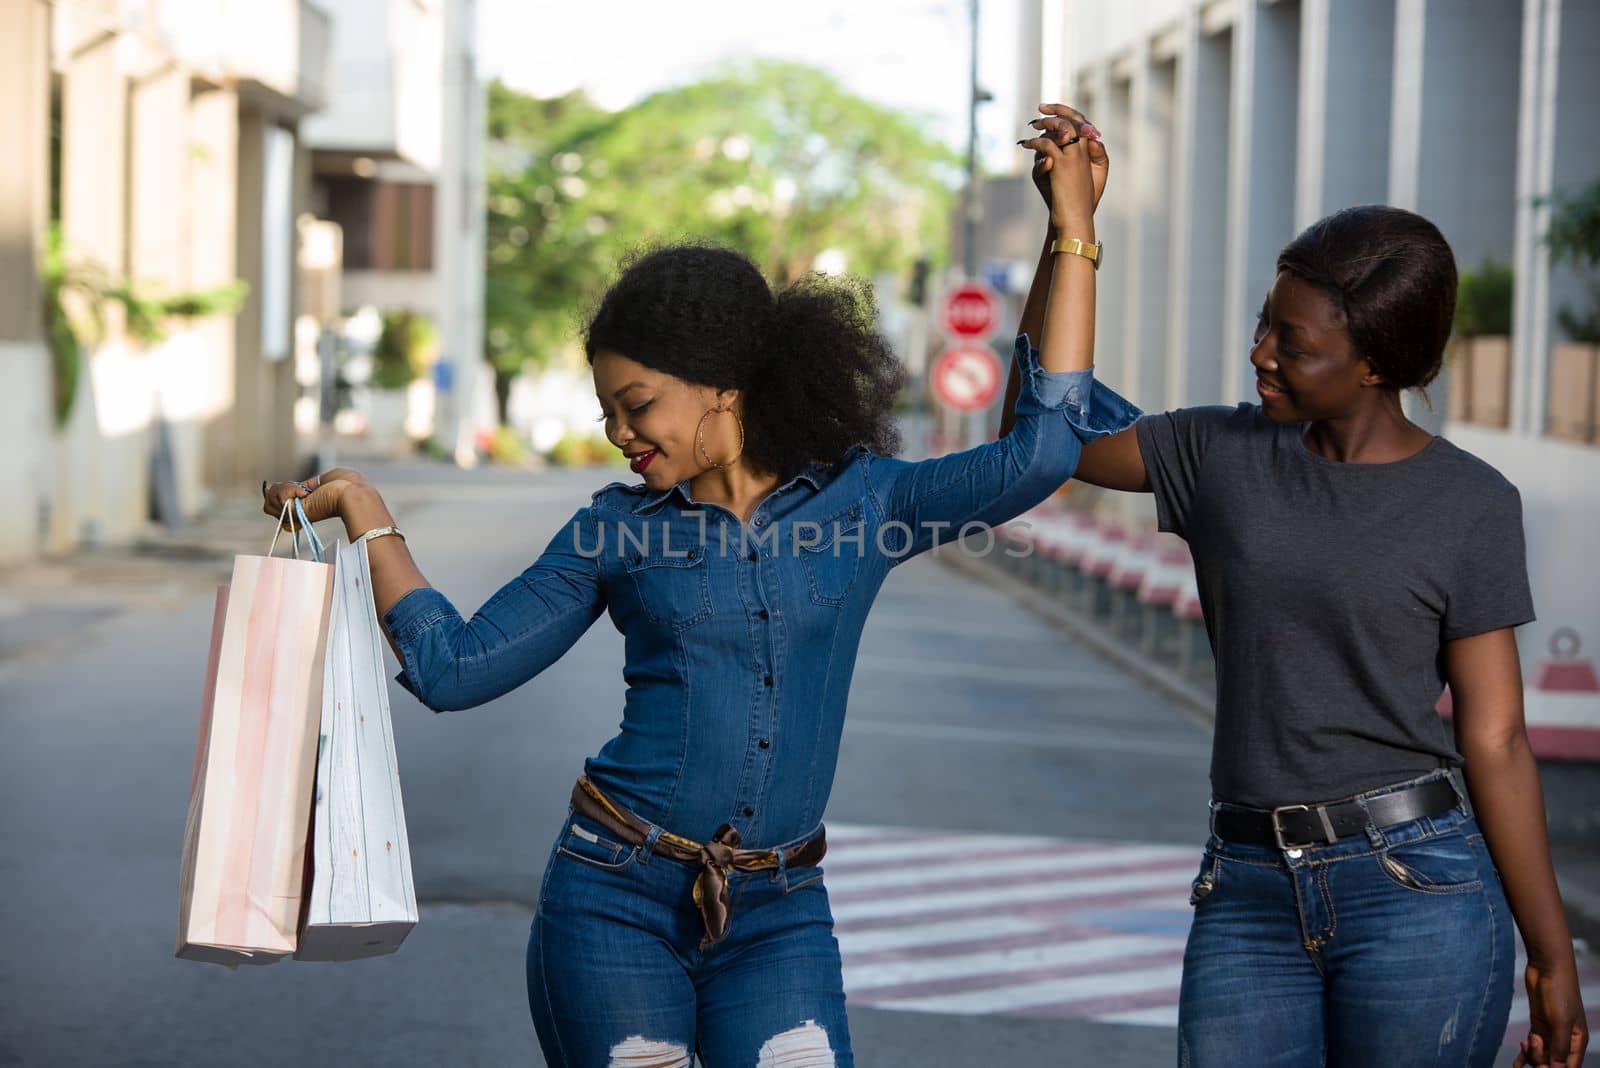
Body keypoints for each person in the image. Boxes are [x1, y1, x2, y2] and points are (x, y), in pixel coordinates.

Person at [264, 117, 1134, 1066]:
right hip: (613, 903)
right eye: (607, 414)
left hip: (781, 915)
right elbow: (455, 668)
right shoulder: (615, 528)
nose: (618, 435)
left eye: (636, 407)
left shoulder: (865, 501)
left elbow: (1045, 449)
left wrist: (1071, 233)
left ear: (723, 384)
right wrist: (367, 513)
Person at [1005, 103, 1589, 1068]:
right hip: (1245, 890)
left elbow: (1495, 737)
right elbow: (1035, 436)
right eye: (1265, 325)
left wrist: (1552, 955)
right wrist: (1071, 234)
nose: (1261, 354)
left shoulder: (1472, 504)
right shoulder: (1221, 452)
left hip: (1421, 894)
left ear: (1376, 365)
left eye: (1295, 343)